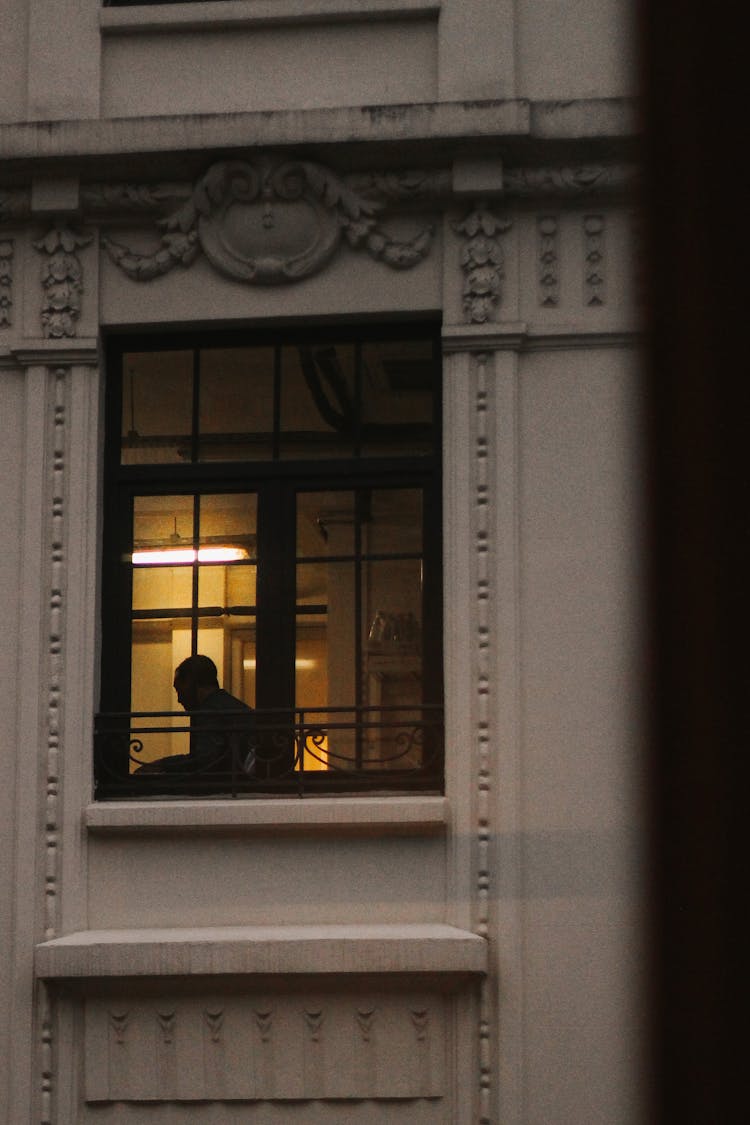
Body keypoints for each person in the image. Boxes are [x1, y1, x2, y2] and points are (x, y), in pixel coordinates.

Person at [136, 654, 256, 778]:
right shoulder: (230, 706)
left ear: (192, 683)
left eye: (180, 690)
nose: (179, 699)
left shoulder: (210, 711)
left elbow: (204, 760)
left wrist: (162, 765)